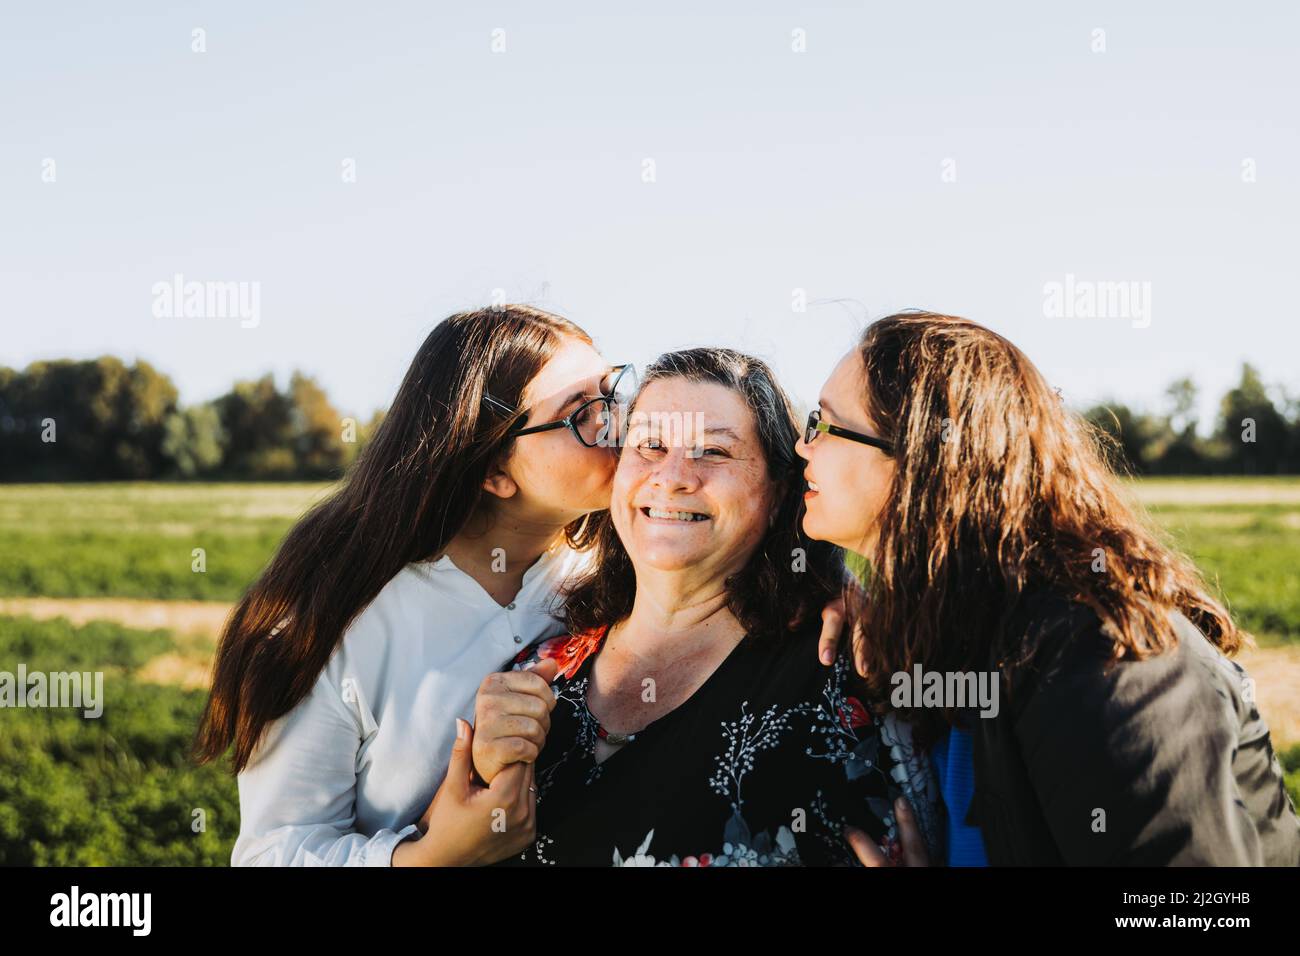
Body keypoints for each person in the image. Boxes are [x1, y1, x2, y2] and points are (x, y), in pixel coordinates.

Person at [799, 310, 1300, 865]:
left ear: (920, 459)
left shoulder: (1100, 652)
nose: (804, 446)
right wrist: (830, 582)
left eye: (824, 424)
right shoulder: (947, 621)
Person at [192, 305, 636, 865]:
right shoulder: (335, 623)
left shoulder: (630, 564)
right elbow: (272, 852)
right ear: (493, 472)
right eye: (582, 414)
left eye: (613, 390)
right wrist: (428, 858)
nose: (619, 422)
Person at [469, 348, 941, 867]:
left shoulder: (851, 670)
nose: (671, 477)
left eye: (713, 452)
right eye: (649, 445)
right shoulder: (531, 677)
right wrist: (483, 777)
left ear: (780, 491)